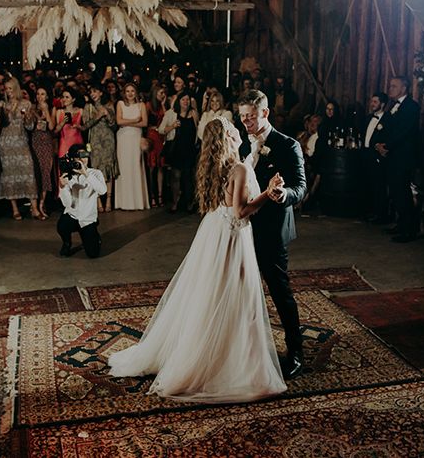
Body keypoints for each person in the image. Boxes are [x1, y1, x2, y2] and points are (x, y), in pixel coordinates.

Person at [109, 117, 287, 401]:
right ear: (228, 137)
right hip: (232, 238)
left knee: (211, 294)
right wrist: (267, 193)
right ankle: (231, 363)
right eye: (231, 126)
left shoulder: (220, 167)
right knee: (236, 296)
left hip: (215, 232)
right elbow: (241, 212)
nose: (235, 127)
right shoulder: (238, 167)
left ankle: (215, 349)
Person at [238, 89, 307, 379]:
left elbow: (300, 187)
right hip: (242, 229)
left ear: (265, 113)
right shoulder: (242, 144)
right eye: (242, 118)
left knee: (279, 290)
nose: (246, 123)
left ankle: (296, 351)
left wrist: (284, 194)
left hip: (272, 229)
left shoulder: (287, 146)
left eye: (251, 117)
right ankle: (245, 349)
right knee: (243, 290)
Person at [375, 76, 420, 243]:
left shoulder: (412, 106)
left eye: (394, 86)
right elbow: (389, 128)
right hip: (393, 156)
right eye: (390, 85)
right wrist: (380, 143)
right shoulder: (393, 106)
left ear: (403, 88)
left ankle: (409, 230)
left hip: (403, 157)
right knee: (395, 191)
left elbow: (404, 131)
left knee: (403, 192)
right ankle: (401, 224)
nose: (390, 89)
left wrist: (387, 145)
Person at [0, 77, 41, 220]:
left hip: (21, 142)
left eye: (10, 88)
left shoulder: (26, 103)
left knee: (28, 171)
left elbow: (30, 127)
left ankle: (34, 208)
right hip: (6, 143)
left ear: (16, 88)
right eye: (6, 89)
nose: (8, 92)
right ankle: (14, 209)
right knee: (10, 175)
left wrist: (27, 117)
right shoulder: (2, 105)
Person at [57, 143, 107, 258]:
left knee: (93, 254)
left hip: (87, 219)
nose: (82, 160)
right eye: (78, 157)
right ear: (73, 159)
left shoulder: (95, 173)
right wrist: (63, 187)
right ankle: (67, 243)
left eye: (84, 156)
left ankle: (93, 235)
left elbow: (102, 191)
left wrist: (85, 173)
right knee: (62, 226)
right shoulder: (68, 175)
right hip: (73, 216)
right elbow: (67, 204)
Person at [159, 91, 199, 213]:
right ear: (178, 101)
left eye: (187, 99)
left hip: (189, 149)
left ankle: (189, 203)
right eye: (183, 99)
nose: (185, 102)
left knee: (188, 177)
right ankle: (175, 202)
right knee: (175, 177)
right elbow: (161, 130)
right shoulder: (171, 114)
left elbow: (198, 130)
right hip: (176, 149)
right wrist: (172, 126)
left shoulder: (193, 113)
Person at [81, 83, 118, 212]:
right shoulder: (88, 107)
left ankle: (108, 200)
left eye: (95, 91)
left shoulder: (109, 105)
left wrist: (107, 115)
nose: (92, 94)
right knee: (95, 170)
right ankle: (97, 202)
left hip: (108, 140)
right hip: (95, 141)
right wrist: (98, 116)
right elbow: (85, 126)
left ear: (101, 92)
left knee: (108, 170)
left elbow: (114, 126)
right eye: (91, 92)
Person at [114, 82, 149, 210]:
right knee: (124, 168)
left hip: (135, 137)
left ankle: (137, 202)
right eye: (127, 91)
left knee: (135, 166)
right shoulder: (120, 104)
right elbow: (119, 121)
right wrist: (135, 120)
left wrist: (128, 123)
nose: (130, 93)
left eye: (132, 91)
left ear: (136, 92)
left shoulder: (141, 105)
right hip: (123, 138)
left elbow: (144, 123)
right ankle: (123, 202)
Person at [361, 91, 389, 223]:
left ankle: (380, 214)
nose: (372, 104)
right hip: (366, 154)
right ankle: (369, 211)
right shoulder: (367, 118)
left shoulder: (387, 119)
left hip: (378, 156)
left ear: (382, 104)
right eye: (372, 101)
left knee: (378, 186)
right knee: (367, 184)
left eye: (375, 102)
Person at [31, 86, 55, 218]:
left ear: (47, 96)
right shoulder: (32, 109)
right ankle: (35, 205)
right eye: (38, 94)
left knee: (46, 173)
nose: (40, 97)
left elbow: (51, 127)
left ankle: (42, 204)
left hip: (46, 143)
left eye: (43, 94)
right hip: (35, 142)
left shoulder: (51, 109)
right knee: (36, 174)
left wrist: (46, 111)